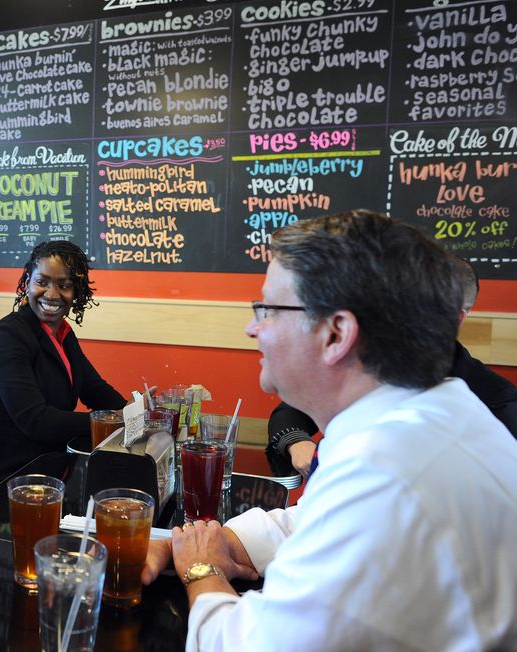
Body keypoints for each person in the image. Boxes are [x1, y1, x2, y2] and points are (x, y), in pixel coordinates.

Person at [144, 210, 517, 650]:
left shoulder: (384, 472)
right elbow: (316, 519)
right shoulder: (429, 416)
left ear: (336, 334)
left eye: (268, 309)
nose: (252, 328)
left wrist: (201, 570)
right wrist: (212, 541)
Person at [266, 254, 517, 477]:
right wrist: (297, 443)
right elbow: (292, 410)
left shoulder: (498, 402)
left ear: (453, 317)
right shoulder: (367, 364)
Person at [0, 240, 127, 499]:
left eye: (64, 285)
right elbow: (35, 421)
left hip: (51, 471)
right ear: (27, 283)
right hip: (2, 484)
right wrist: (109, 421)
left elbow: (94, 389)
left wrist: (134, 413)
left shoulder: (63, 334)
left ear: (77, 292)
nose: (51, 294)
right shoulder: (7, 337)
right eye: (42, 282)